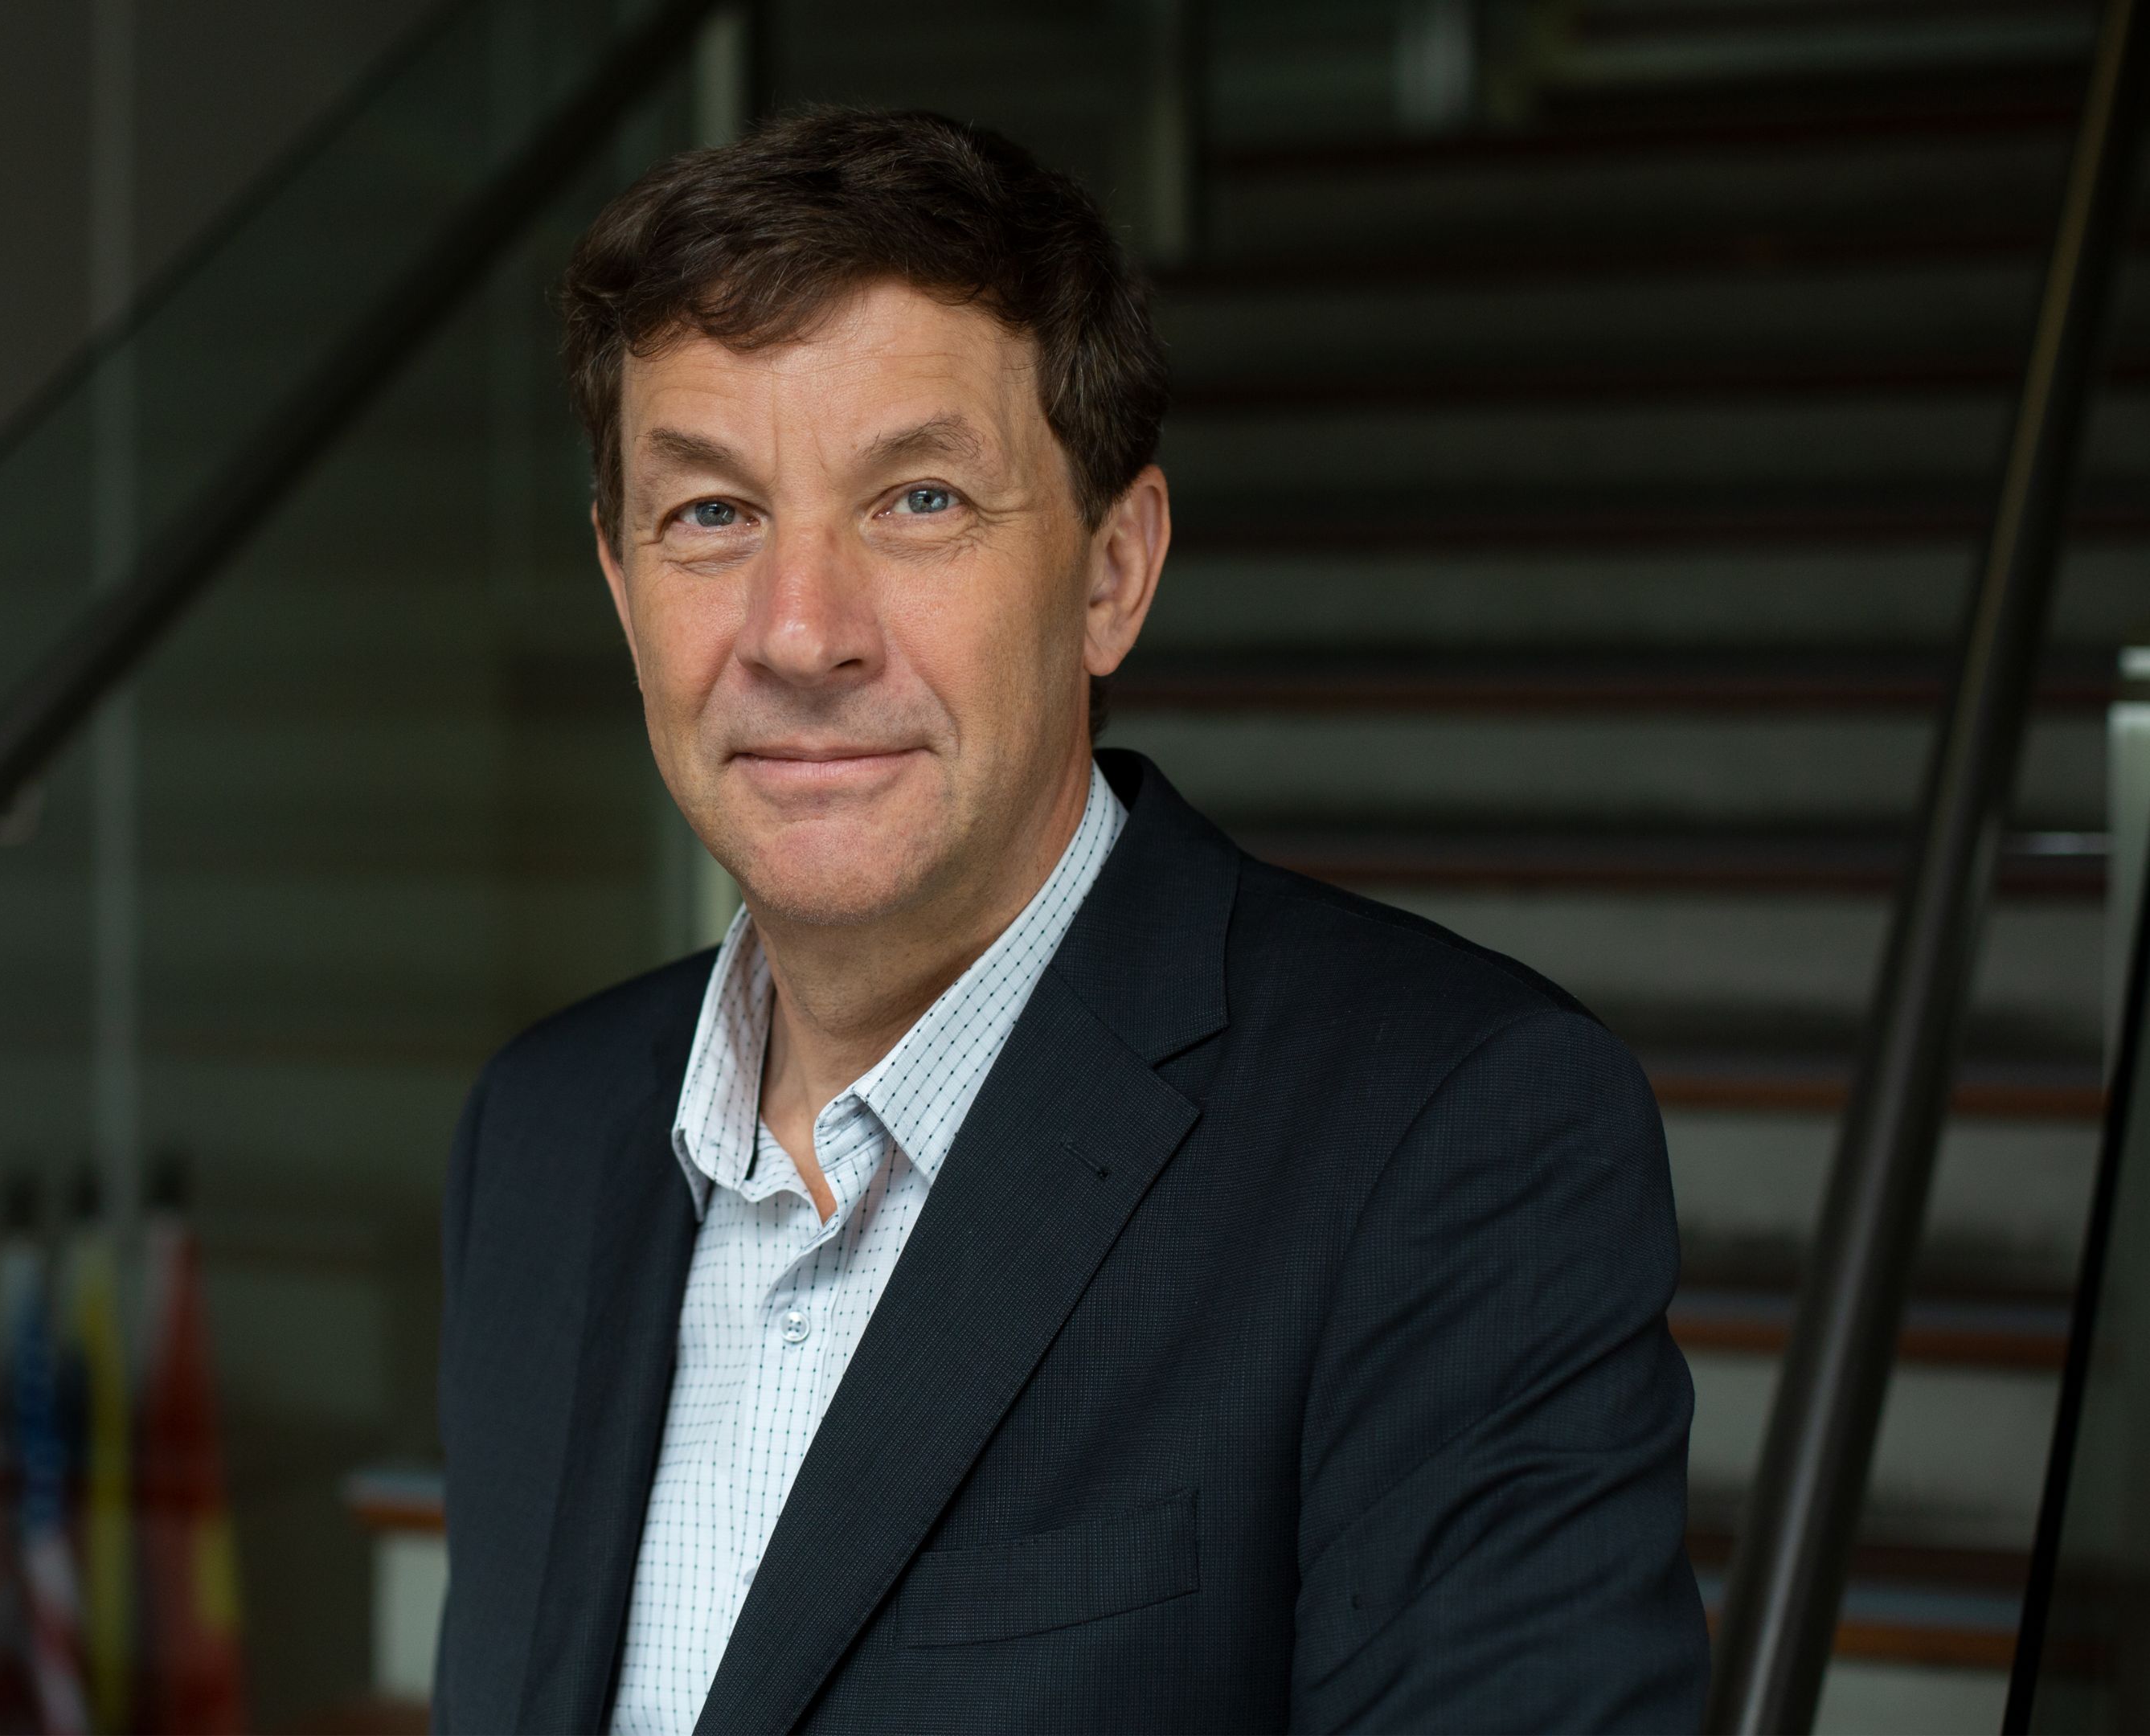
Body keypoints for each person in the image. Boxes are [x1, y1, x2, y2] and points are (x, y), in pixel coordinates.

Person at [434, 107, 1706, 1734]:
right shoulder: (538, 1137)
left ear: (1115, 572)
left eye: (919, 503)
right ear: (621, 588)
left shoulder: (1458, 1139)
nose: (799, 631)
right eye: (712, 516)